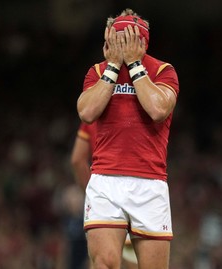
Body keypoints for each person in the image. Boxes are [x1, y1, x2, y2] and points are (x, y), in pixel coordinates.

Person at [76, 8, 179, 269]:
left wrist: (134, 65)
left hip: (150, 183)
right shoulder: (98, 71)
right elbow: (87, 112)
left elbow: (157, 109)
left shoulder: (164, 71)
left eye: (126, 39)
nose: (118, 44)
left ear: (142, 42)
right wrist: (113, 67)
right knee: (106, 263)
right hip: (106, 180)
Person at [71, 122, 138, 269]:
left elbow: (77, 159)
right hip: (135, 194)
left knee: (100, 261)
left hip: (103, 196)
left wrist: (92, 193)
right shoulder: (135, 110)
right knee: (133, 261)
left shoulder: (93, 114)